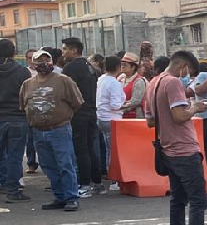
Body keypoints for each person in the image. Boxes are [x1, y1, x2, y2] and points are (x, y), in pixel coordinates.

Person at [144, 51, 207, 225]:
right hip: (184, 150)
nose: (187, 78)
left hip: (167, 149)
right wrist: (195, 108)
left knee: (178, 199)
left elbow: (150, 121)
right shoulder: (172, 83)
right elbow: (179, 116)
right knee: (198, 200)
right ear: (182, 66)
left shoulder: (154, 83)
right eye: (188, 72)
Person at [21, 50, 83, 211]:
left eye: (45, 59)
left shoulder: (63, 80)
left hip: (59, 129)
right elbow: (23, 105)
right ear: (33, 64)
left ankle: (71, 197)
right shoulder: (28, 84)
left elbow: (77, 102)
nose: (42, 63)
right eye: (38, 60)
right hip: (38, 131)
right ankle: (59, 196)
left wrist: (62, 116)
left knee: (65, 164)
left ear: (51, 62)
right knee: (48, 166)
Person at [61, 37, 101, 197]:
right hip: (91, 111)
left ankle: (84, 185)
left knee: (81, 149)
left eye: (65, 49)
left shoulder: (71, 67)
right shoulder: (90, 67)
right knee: (90, 148)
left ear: (74, 50)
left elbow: (65, 92)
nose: (63, 52)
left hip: (78, 113)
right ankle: (97, 183)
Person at [0, 38, 31, 203]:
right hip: (18, 118)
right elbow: (28, 95)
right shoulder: (22, 72)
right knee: (15, 156)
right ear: (13, 53)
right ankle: (13, 190)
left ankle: (2, 183)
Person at [95, 55, 125, 188]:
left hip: (102, 117)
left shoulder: (101, 79)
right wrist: (125, 104)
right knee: (114, 150)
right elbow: (115, 105)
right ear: (118, 67)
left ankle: (110, 173)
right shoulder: (114, 83)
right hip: (112, 118)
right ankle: (114, 178)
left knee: (108, 148)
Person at [118, 52, 147, 119]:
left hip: (134, 116)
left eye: (125, 65)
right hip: (121, 116)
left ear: (133, 67)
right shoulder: (120, 78)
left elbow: (135, 101)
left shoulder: (139, 81)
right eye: (121, 64)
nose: (122, 66)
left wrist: (121, 109)